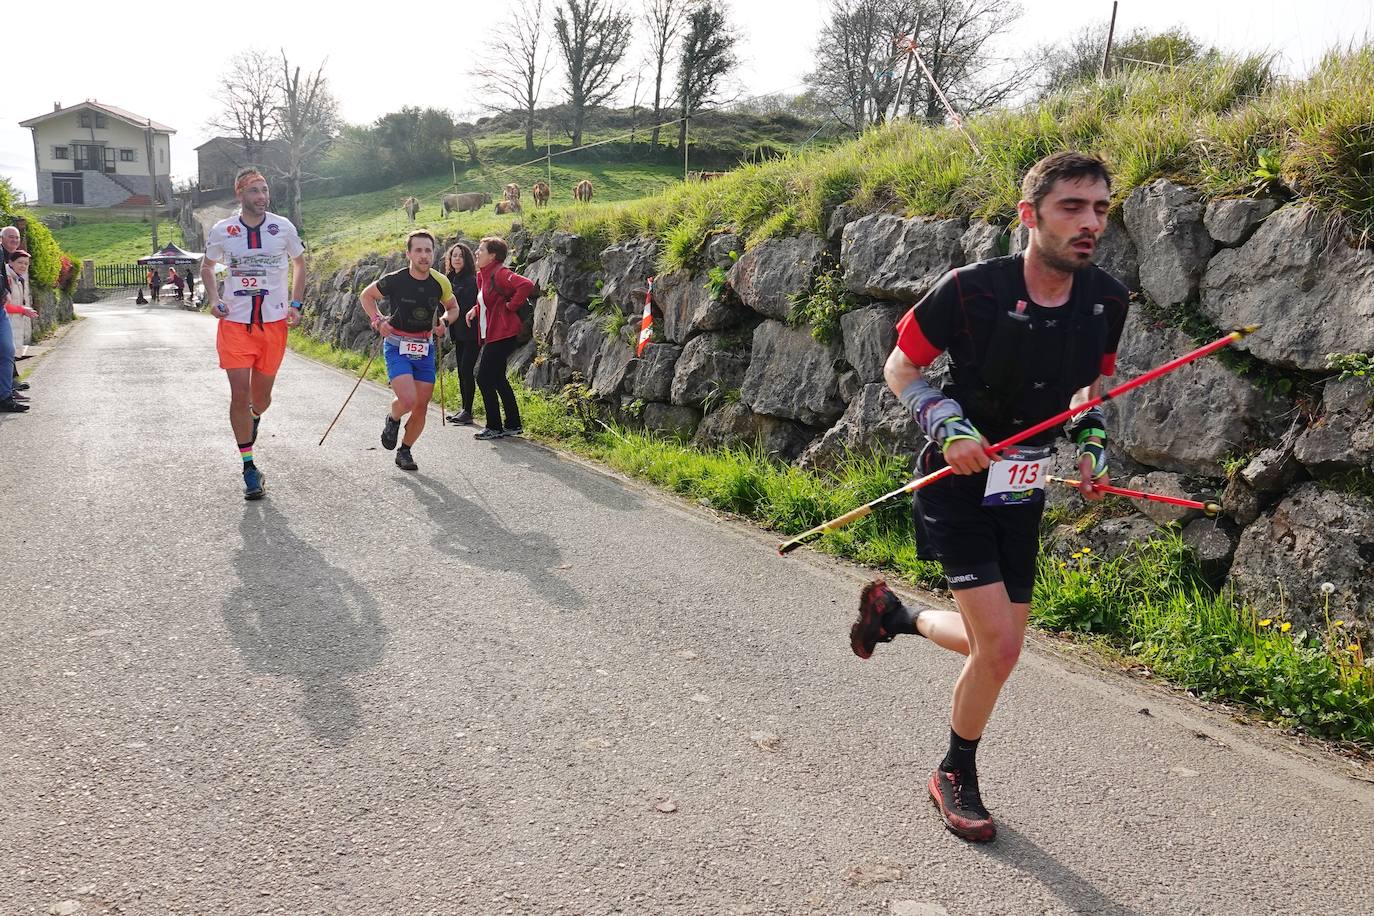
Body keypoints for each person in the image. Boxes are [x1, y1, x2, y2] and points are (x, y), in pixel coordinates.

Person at [848, 151, 1129, 844]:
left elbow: (1086, 393)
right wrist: (945, 423)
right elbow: (901, 366)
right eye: (1072, 207)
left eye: (1099, 208)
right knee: (1000, 652)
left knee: (988, 643)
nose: (1089, 222)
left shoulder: (1107, 300)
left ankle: (897, 616)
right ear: (1029, 216)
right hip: (959, 483)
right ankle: (954, 773)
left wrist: (1092, 444)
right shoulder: (970, 289)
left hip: (1023, 488)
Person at [201, 168, 307, 500]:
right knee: (239, 396)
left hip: (273, 324)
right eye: (254, 191)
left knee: (260, 399)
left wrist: (297, 303)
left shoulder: (283, 226)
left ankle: (254, 418)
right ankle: (249, 467)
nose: (262, 196)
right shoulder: (223, 230)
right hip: (235, 325)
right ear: (240, 195)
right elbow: (206, 266)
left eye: (264, 190)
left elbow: (301, 263)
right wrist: (215, 299)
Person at [358, 230, 459, 471]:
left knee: (421, 406)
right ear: (409, 254)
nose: (424, 256)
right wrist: (377, 321)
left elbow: (453, 307)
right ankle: (393, 419)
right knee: (408, 399)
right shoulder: (396, 279)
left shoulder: (440, 282)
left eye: (428, 250)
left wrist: (444, 321)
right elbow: (367, 296)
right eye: (418, 250)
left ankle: (405, 451)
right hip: (397, 345)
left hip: (425, 348)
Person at [467, 236, 533, 440]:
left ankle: (494, 426)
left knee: (483, 378)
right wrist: (475, 310)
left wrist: (511, 307)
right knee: (497, 378)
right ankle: (513, 423)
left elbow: (526, 284)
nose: (477, 253)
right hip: (494, 333)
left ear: (492, 255)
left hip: (503, 333)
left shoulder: (500, 272)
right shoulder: (484, 275)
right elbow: (489, 300)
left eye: (481, 250)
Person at [442, 242, 480, 425]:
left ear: (467, 259)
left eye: (460, 256)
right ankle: (464, 408)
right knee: (460, 371)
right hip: (458, 332)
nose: (456, 258)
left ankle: (468, 411)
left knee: (466, 370)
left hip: (471, 332)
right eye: (454, 255)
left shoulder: (472, 280)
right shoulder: (450, 279)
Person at [5, 249, 37, 401]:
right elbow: (5, 305)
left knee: (9, 358)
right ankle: (8, 391)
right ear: (10, 262)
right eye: (20, 262)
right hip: (7, 323)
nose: (23, 266)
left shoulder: (17, 278)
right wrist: (22, 310)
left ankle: (10, 389)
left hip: (13, 323)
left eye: (26, 264)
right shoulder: (8, 279)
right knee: (6, 359)